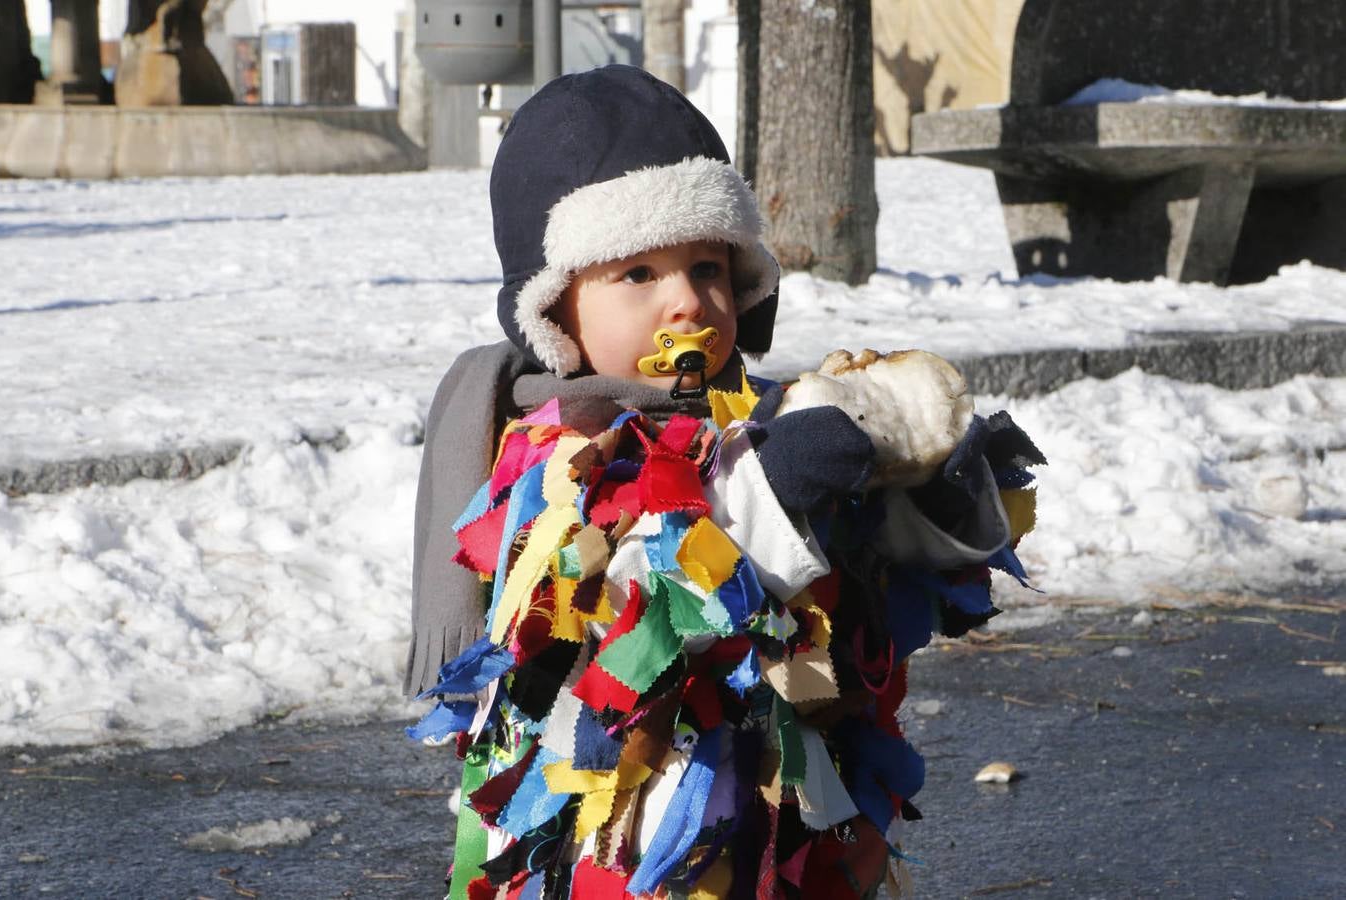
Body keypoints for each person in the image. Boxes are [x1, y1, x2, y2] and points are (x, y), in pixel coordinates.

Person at [404, 65, 1044, 900]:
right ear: (555, 312)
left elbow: (842, 584)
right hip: (623, 824)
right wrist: (771, 491)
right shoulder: (551, 445)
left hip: (778, 798)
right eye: (638, 275)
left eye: (708, 267)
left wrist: (933, 508)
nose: (688, 304)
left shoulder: (752, 414)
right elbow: (623, 598)